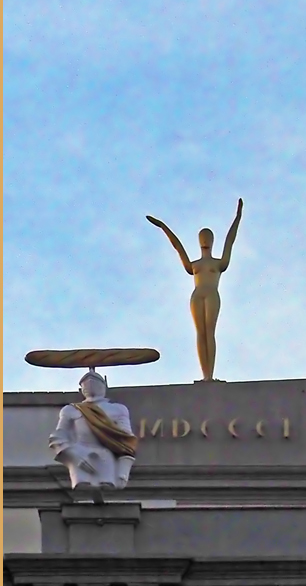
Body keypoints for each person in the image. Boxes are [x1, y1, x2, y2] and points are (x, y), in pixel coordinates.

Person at [148, 198, 242, 381]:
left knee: (209, 332)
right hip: (197, 295)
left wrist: (238, 217)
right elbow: (178, 247)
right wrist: (163, 226)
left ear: (212, 241)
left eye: (208, 238)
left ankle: (210, 376)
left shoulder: (219, 262)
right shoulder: (194, 264)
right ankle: (205, 377)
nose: (205, 240)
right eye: (202, 238)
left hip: (212, 294)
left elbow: (230, 240)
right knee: (200, 333)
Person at [48, 370, 137, 493]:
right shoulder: (70, 410)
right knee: (82, 485)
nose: (90, 385)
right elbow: (58, 437)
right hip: (79, 453)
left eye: (96, 382)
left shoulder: (117, 409)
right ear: (81, 390)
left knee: (107, 486)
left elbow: (126, 441)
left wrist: (123, 471)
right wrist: (74, 457)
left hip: (105, 455)